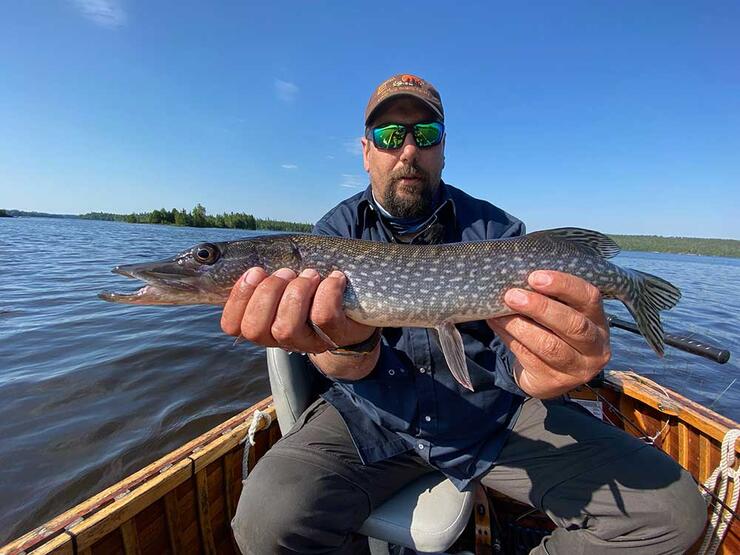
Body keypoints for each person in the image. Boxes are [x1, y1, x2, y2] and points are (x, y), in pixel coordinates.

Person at [223, 74, 706, 554]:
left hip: (490, 417)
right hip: (374, 419)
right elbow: (336, 366)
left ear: (443, 147)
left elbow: (514, 362)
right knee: (268, 521)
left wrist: (549, 370)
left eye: (425, 134)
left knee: (673, 514)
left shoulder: (497, 231)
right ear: (366, 151)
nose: (408, 151)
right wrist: (348, 344)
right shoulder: (332, 234)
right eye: (390, 136)